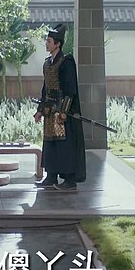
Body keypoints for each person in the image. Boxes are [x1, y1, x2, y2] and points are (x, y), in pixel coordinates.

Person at [34, 24, 87, 191]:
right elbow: (45, 89)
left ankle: (70, 180)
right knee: (50, 144)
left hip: (63, 111)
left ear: (57, 44)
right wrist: (40, 110)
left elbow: (70, 90)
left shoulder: (66, 62)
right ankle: (51, 176)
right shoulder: (47, 63)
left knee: (65, 146)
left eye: (49, 41)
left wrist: (63, 112)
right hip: (50, 110)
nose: (46, 43)